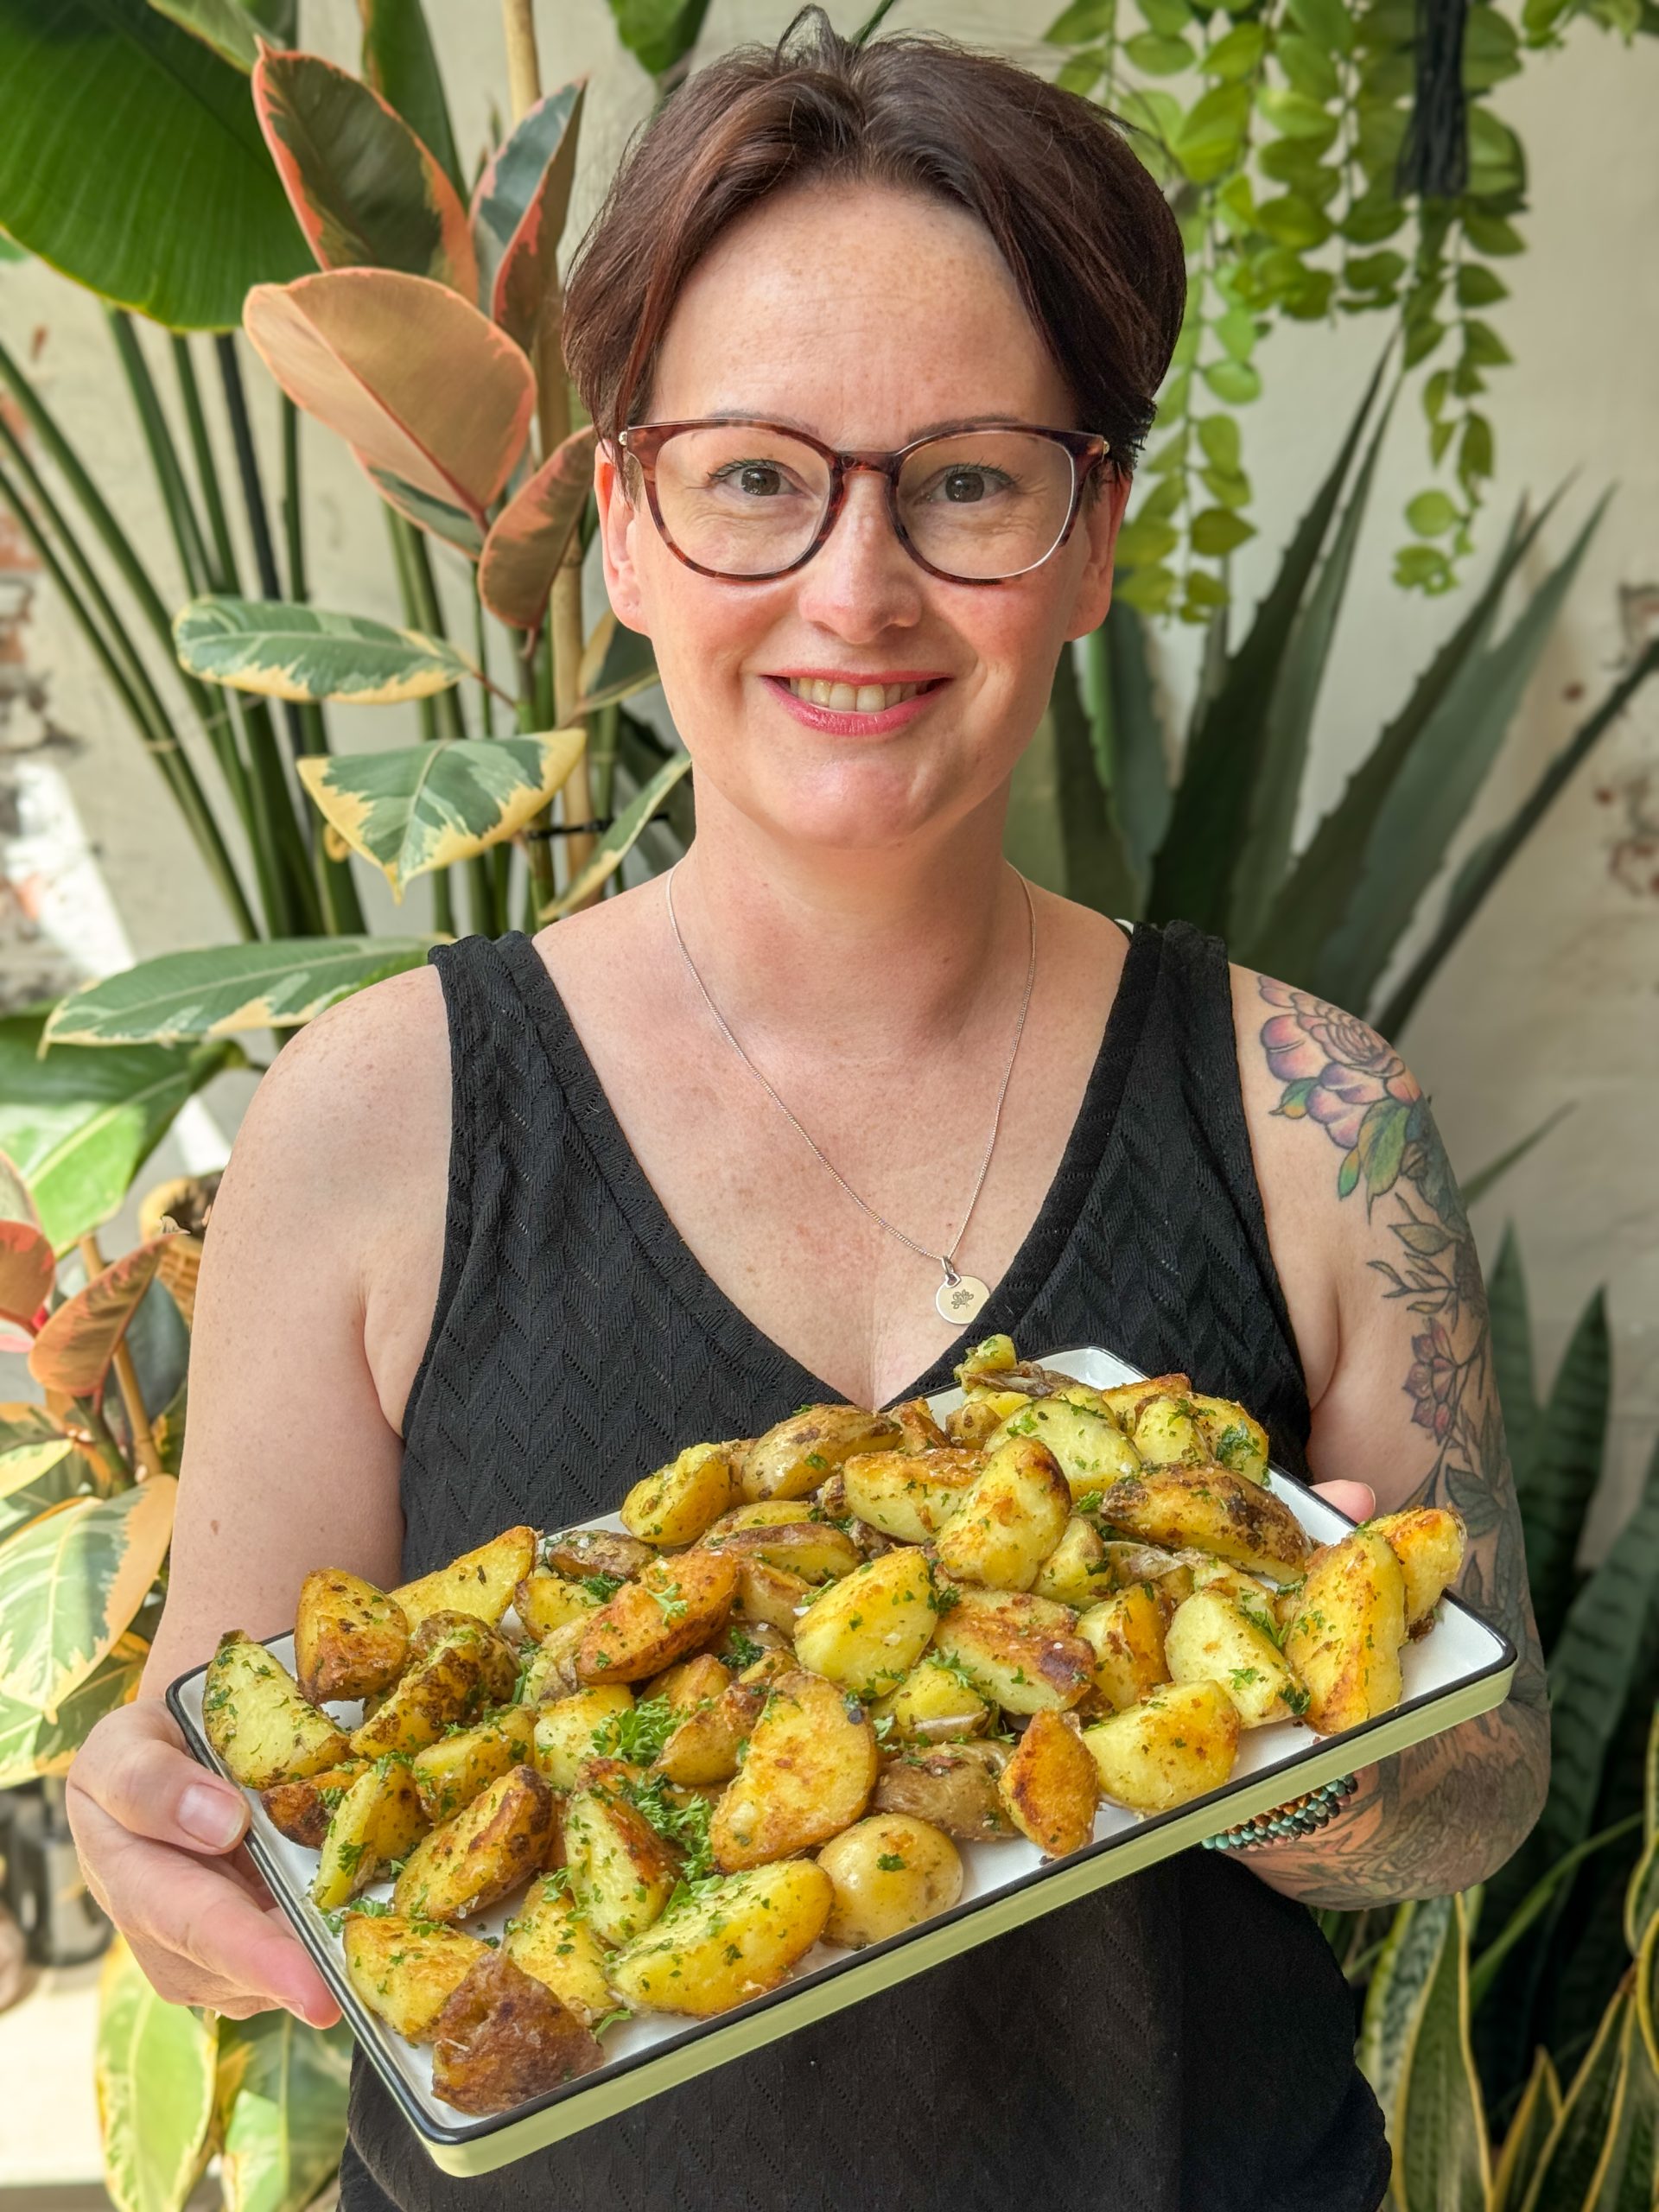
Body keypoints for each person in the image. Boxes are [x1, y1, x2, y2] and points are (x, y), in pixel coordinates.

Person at [67, 12, 1548, 2209]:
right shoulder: (375, 1114)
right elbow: (234, 1758)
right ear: (628, 524)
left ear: (1091, 532)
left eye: (963, 478)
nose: (855, 588)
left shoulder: (1315, 1109)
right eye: (758, 473)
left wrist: (1265, 1737)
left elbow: (1477, 1784)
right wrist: (149, 1836)